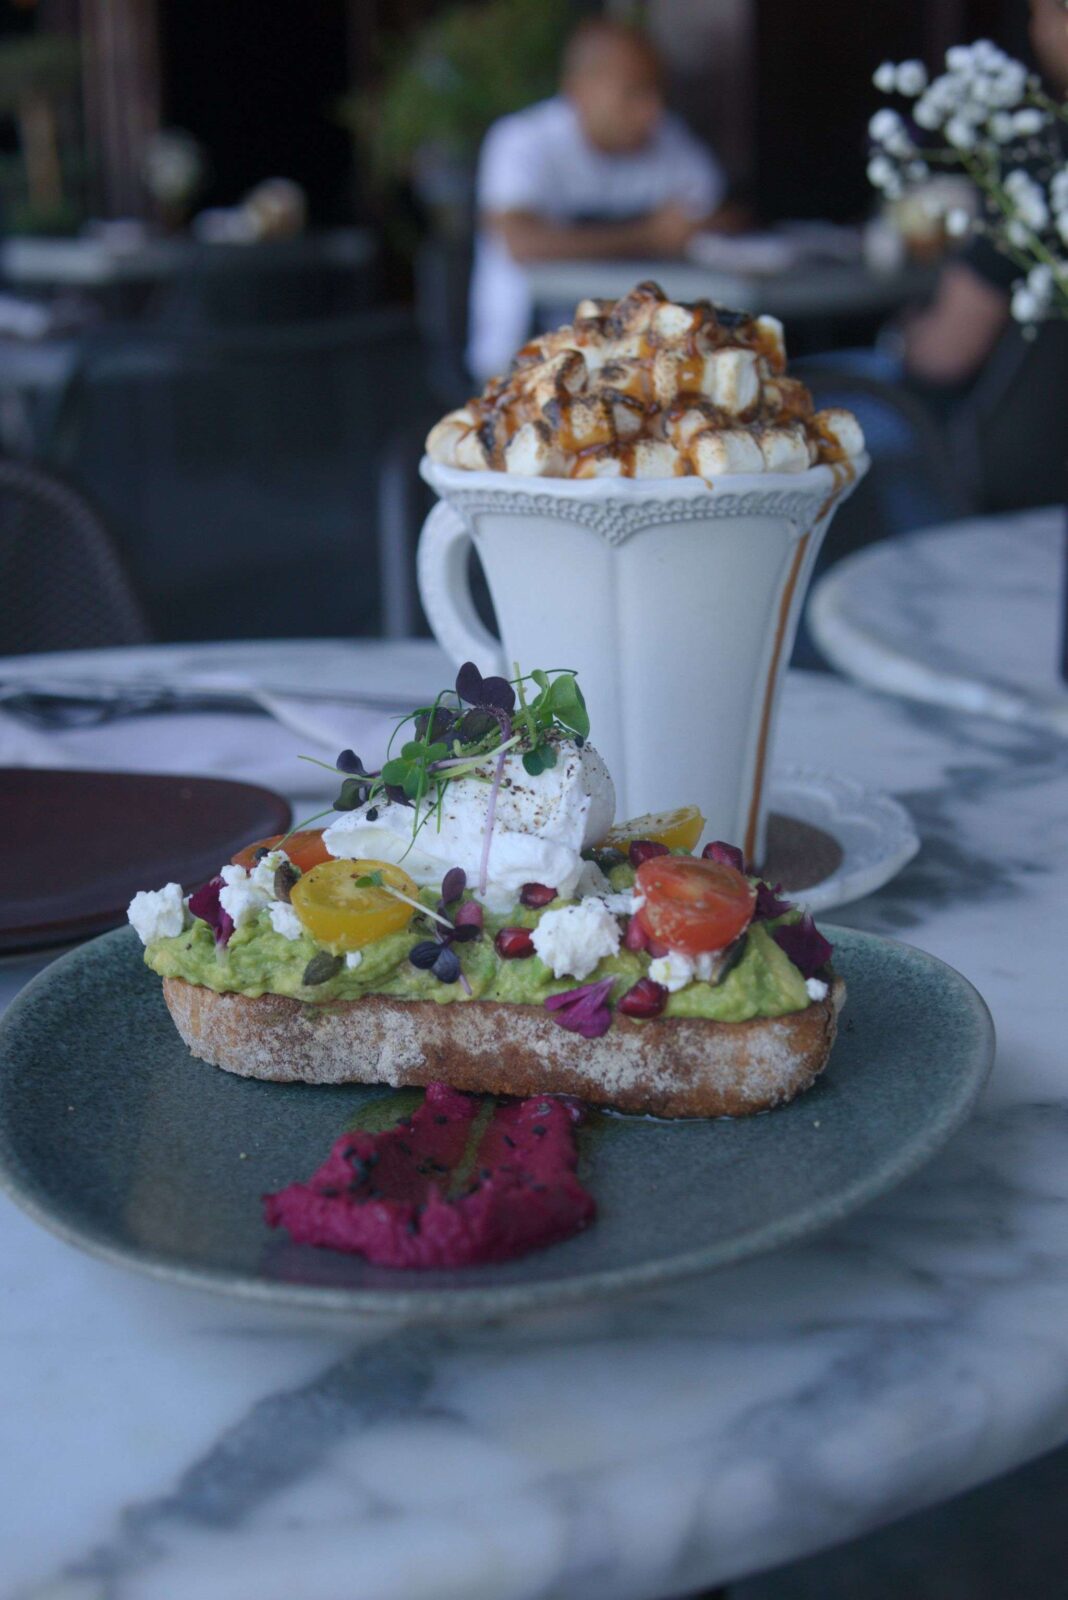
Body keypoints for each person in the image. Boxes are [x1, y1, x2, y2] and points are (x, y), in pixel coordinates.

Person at [467, 19, 732, 380]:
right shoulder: (522, 141)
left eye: (656, 92)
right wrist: (649, 236)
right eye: (634, 93)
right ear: (580, 90)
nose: (650, 109)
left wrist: (692, 227)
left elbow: (719, 214)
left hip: (639, 366)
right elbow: (521, 243)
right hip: (524, 364)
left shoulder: (667, 140)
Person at [903, 0, 1067, 386]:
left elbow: (947, 353)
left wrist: (901, 340)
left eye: (1047, 12)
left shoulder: (1039, 159)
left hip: (1006, 438)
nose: (1038, 31)